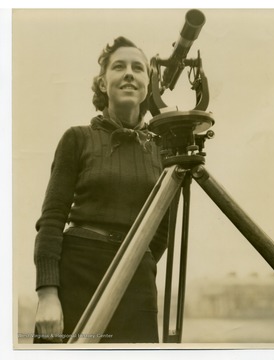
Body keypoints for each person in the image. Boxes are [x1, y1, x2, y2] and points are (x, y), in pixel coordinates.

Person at [33, 36, 168, 344]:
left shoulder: (163, 148)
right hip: (77, 275)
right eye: (118, 66)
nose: (129, 73)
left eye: (138, 68)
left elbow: (163, 231)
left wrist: (135, 263)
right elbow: (52, 219)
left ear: (150, 85)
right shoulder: (77, 139)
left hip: (136, 282)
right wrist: (48, 293)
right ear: (103, 84)